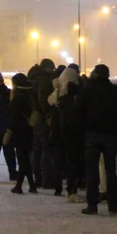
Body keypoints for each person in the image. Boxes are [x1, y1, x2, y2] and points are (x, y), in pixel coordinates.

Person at [78, 65, 117, 215]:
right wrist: (116, 127)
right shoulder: (115, 91)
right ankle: (112, 203)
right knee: (111, 170)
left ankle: (92, 204)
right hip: (110, 134)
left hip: (92, 134)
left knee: (92, 171)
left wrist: (85, 127)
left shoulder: (87, 91)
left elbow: (78, 111)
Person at [51, 64, 83, 200]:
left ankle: (58, 187)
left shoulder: (56, 94)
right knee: (73, 162)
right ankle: (71, 189)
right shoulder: (76, 96)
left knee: (59, 160)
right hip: (73, 133)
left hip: (58, 132)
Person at [29, 59, 58, 191]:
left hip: (34, 117)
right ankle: (46, 179)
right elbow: (43, 100)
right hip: (42, 118)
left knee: (37, 149)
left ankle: (38, 177)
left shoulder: (33, 78)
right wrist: (48, 115)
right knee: (47, 148)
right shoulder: (44, 80)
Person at [8, 73, 37, 194]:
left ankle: (19, 185)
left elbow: (14, 115)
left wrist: (9, 129)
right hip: (29, 130)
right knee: (25, 157)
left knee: (22, 159)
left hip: (20, 131)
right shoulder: (30, 94)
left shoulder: (18, 97)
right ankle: (31, 185)